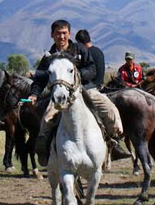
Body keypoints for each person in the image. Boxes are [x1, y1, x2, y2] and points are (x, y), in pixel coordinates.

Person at [28, 20, 124, 166]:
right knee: (46, 120)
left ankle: (113, 143)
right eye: (58, 33)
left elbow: (92, 69)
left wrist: (77, 75)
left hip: (86, 89)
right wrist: (34, 94)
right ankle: (44, 151)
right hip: (60, 95)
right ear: (52, 35)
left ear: (69, 34)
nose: (61, 36)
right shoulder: (49, 57)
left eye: (64, 33)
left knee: (111, 110)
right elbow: (40, 79)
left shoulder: (80, 49)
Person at [76, 29, 131, 161]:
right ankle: (115, 140)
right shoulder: (98, 51)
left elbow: (90, 74)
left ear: (80, 42)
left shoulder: (86, 53)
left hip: (90, 89)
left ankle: (113, 142)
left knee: (110, 111)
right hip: (100, 86)